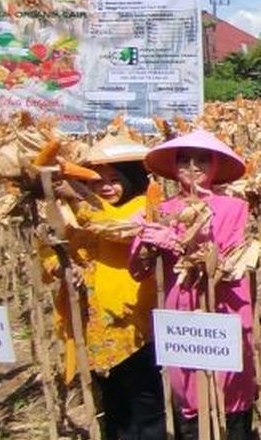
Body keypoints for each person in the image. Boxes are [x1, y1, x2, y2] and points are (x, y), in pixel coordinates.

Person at [129, 129, 256, 440]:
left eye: (202, 159)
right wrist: (145, 244)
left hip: (224, 307)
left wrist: (174, 241)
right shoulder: (161, 209)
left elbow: (225, 260)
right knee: (187, 390)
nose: (192, 166)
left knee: (230, 388)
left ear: (216, 166)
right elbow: (138, 270)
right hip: (180, 308)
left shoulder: (234, 207)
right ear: (173, 166)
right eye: (184, 159)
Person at [40, 134, 165, 440]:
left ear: (132, 179)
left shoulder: (142, 206)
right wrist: (63, 267)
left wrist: (79, 196)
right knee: (113, 405)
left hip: (135, 325)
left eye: (114, 179)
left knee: (145, 404)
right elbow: (50, 248)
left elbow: (122, 231)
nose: (106, 186)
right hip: (92, 325)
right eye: (98, 180)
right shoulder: (80, 212)